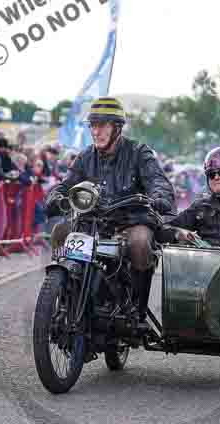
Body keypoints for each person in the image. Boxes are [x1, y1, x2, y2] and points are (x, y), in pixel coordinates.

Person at [45, 97, 174, 324]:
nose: (96, 131)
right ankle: (65, 296)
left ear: (117, 128)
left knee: (140, 242)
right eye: (93, 125)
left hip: (130, 221)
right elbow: (66, 184)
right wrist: (56, 195)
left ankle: (136, 307)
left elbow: (158, 181)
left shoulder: (138, 152)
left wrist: (159, 196)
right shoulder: (85, 157)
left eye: (103, 125)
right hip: (92, 222)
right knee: (60, 232)